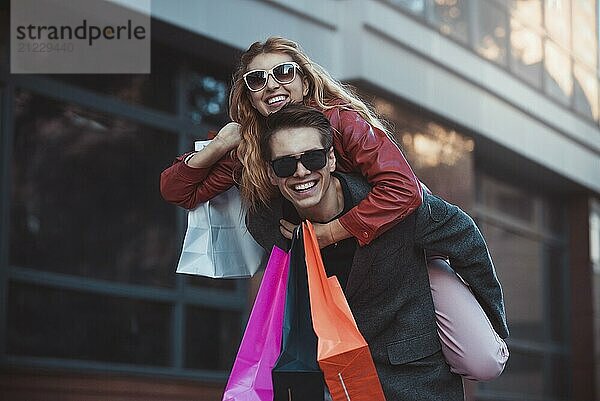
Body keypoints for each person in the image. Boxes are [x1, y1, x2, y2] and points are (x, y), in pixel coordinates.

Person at [160, 37, 508, 380]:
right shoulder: (250, 149)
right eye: (257, 79)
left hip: (402, 244)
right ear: (248, 95)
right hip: (335, 278)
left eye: (283, 72)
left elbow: (403, 189)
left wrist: (326, 233)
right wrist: (220, 143)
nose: (272, 85)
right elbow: (178, 190)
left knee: (484, 360)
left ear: (304, 80)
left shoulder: (340, 122)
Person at [248, 104, 508, 398]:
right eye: (285, 164)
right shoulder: (268, 222)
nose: (301, 171)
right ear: (272, 175)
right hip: (338, 382)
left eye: (313, 157)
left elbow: (464, 235)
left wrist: (489, 322)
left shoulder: (390, 206)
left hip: (416, 378)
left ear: (331, 158)